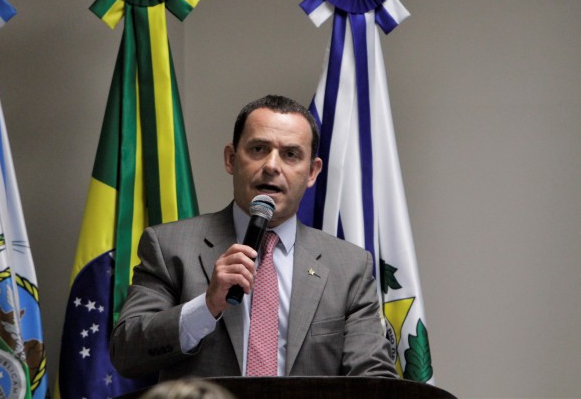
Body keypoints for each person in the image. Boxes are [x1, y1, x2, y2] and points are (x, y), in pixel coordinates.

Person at [111, 95, 397, 381]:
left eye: (291, 154)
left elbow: (373, 376)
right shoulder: (169, 246)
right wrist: (206, 306)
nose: (272, 166)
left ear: (312, 172)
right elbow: (126, 352)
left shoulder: (349, 267)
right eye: (258, 149)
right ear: (231, 159)